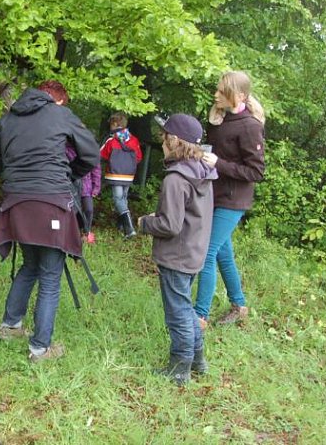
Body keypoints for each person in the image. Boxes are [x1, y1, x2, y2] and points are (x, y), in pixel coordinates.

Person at [0, 80, 99, 362]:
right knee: (50, 275)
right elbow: (91, 154)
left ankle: (10, 326)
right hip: (52, 202)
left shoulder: (8, 119)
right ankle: (40, 348)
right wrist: (68, 174)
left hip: (17, 204)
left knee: (31, 265)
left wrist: (12, 170)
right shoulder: (60, 115)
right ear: (57, 101)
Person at [138, 114, 217, 386]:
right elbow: (189, 215)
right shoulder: (202, 171)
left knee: (178, 313)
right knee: (185, 307)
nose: (161, 142)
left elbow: (170, 225)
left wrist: (146, 222)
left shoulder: (176, 178)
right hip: (194, 251)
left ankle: (179, 368)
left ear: (173, 141)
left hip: (177, 255)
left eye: (163, 138)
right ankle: (198, 362)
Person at [193, 71, 265, 328]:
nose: (215, 95)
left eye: (222, 91)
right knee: (223, 252)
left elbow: (256, 172)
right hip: (214, 194)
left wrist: (219, 164)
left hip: (234, 200)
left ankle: (199, 316)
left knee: (207, 252)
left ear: (239, 95)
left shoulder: (250, 126)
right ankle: (239, 304)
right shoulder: (219, 120)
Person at [100, 112, 143, 238]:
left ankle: (130, 229)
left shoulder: (111, 139)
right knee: (123, 199)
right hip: (128, 175)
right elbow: (139, 157)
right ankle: (121, 226)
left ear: (114, 124)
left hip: (115, 174)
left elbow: (101, 155)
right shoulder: (134, 140)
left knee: (118, 199)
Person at [66, 143, 101, 244]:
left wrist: (96, 187)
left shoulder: (89, 150)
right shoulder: (65, 149)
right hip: (71, 187)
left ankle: (86, 232)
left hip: (86, 187)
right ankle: (72, 234)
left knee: (88, 210)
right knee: (72, 211)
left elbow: (96, 170)